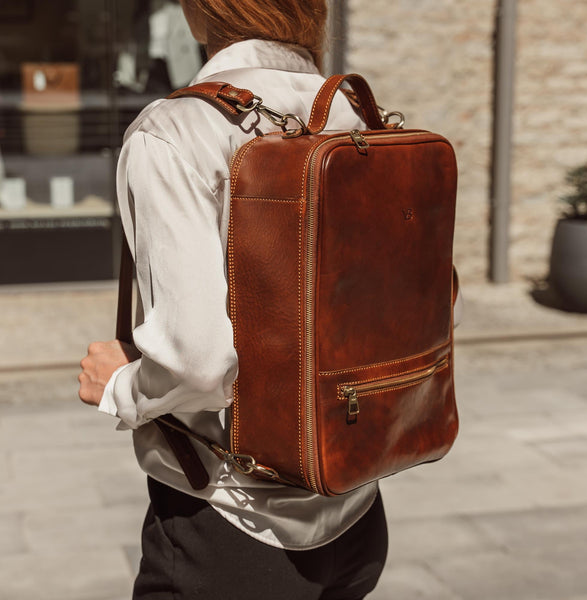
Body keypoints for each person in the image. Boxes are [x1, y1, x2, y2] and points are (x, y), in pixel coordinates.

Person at [78, 1, 388, 598]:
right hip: (356, 505)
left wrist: (119, 384)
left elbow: (200, 365)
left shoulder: (175, 131)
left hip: (233, 526)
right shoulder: (351, 110)